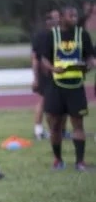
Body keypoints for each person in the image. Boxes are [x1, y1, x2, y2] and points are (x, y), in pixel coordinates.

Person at [39, 5, 94, 171]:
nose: (74, 18)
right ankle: (58, 160)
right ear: (61, 18)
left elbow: (90, 57)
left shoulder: (82, 34)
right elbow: (44, 59)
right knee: (55, 125)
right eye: (71, 15)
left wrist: (87, 66)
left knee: (78, 124)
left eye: (76, 15)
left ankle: (80, 162)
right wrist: (53, 68)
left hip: (76, 86)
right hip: (56, 86)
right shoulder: (52, 36)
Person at [31, 10, 61, 140]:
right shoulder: (41, 36)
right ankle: (38, 130)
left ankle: (56, 130)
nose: (57, 20)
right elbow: (35, 58)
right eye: (55, 18)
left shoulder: (58, 35)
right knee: (43, 101)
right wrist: (36, 78)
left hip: (57, 71)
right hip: (45, 73)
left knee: (56, 102)